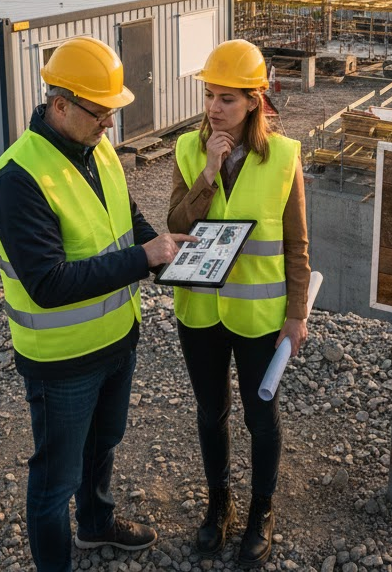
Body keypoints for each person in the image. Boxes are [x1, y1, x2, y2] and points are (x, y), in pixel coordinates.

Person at [0, 35, 195, 572]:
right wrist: (144, 257)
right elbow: (47, 284)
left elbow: (126, 223)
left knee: (104, 443)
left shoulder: (96, 149)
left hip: (118, 337)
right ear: (59, 105)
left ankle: (96, 526)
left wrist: (171, 256)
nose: (110, 125)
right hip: (62, 361)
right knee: (56, 478)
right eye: (101, 113)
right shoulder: (18, 179)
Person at [167, 39, 312, 566]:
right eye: (209, 95)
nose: (213, 108)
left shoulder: (285, 157)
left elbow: (297, 246)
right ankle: (219, 504)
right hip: (200, 312)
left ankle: (261, 511)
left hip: (258, 315)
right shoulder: (188, 150)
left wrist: (296, 315)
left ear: (254, 100)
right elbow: (177, 225)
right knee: (211, 413)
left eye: (226, 98)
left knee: (260, 417)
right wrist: (207, 171)